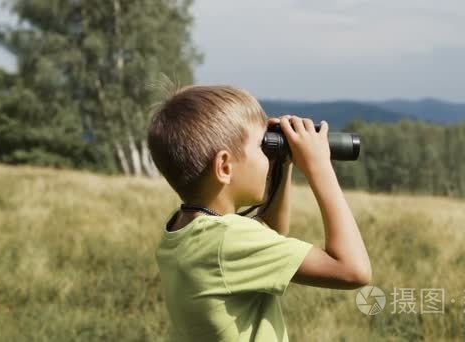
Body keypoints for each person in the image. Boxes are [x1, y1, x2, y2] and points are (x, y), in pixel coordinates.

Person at [147, 85, 371, 341]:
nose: (267, 154)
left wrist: (282, 162)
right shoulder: (227, 241)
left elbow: (271, 232)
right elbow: (353, 270)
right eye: (261, 147)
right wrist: (319, 167)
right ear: (224, 166)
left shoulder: (185, 229)